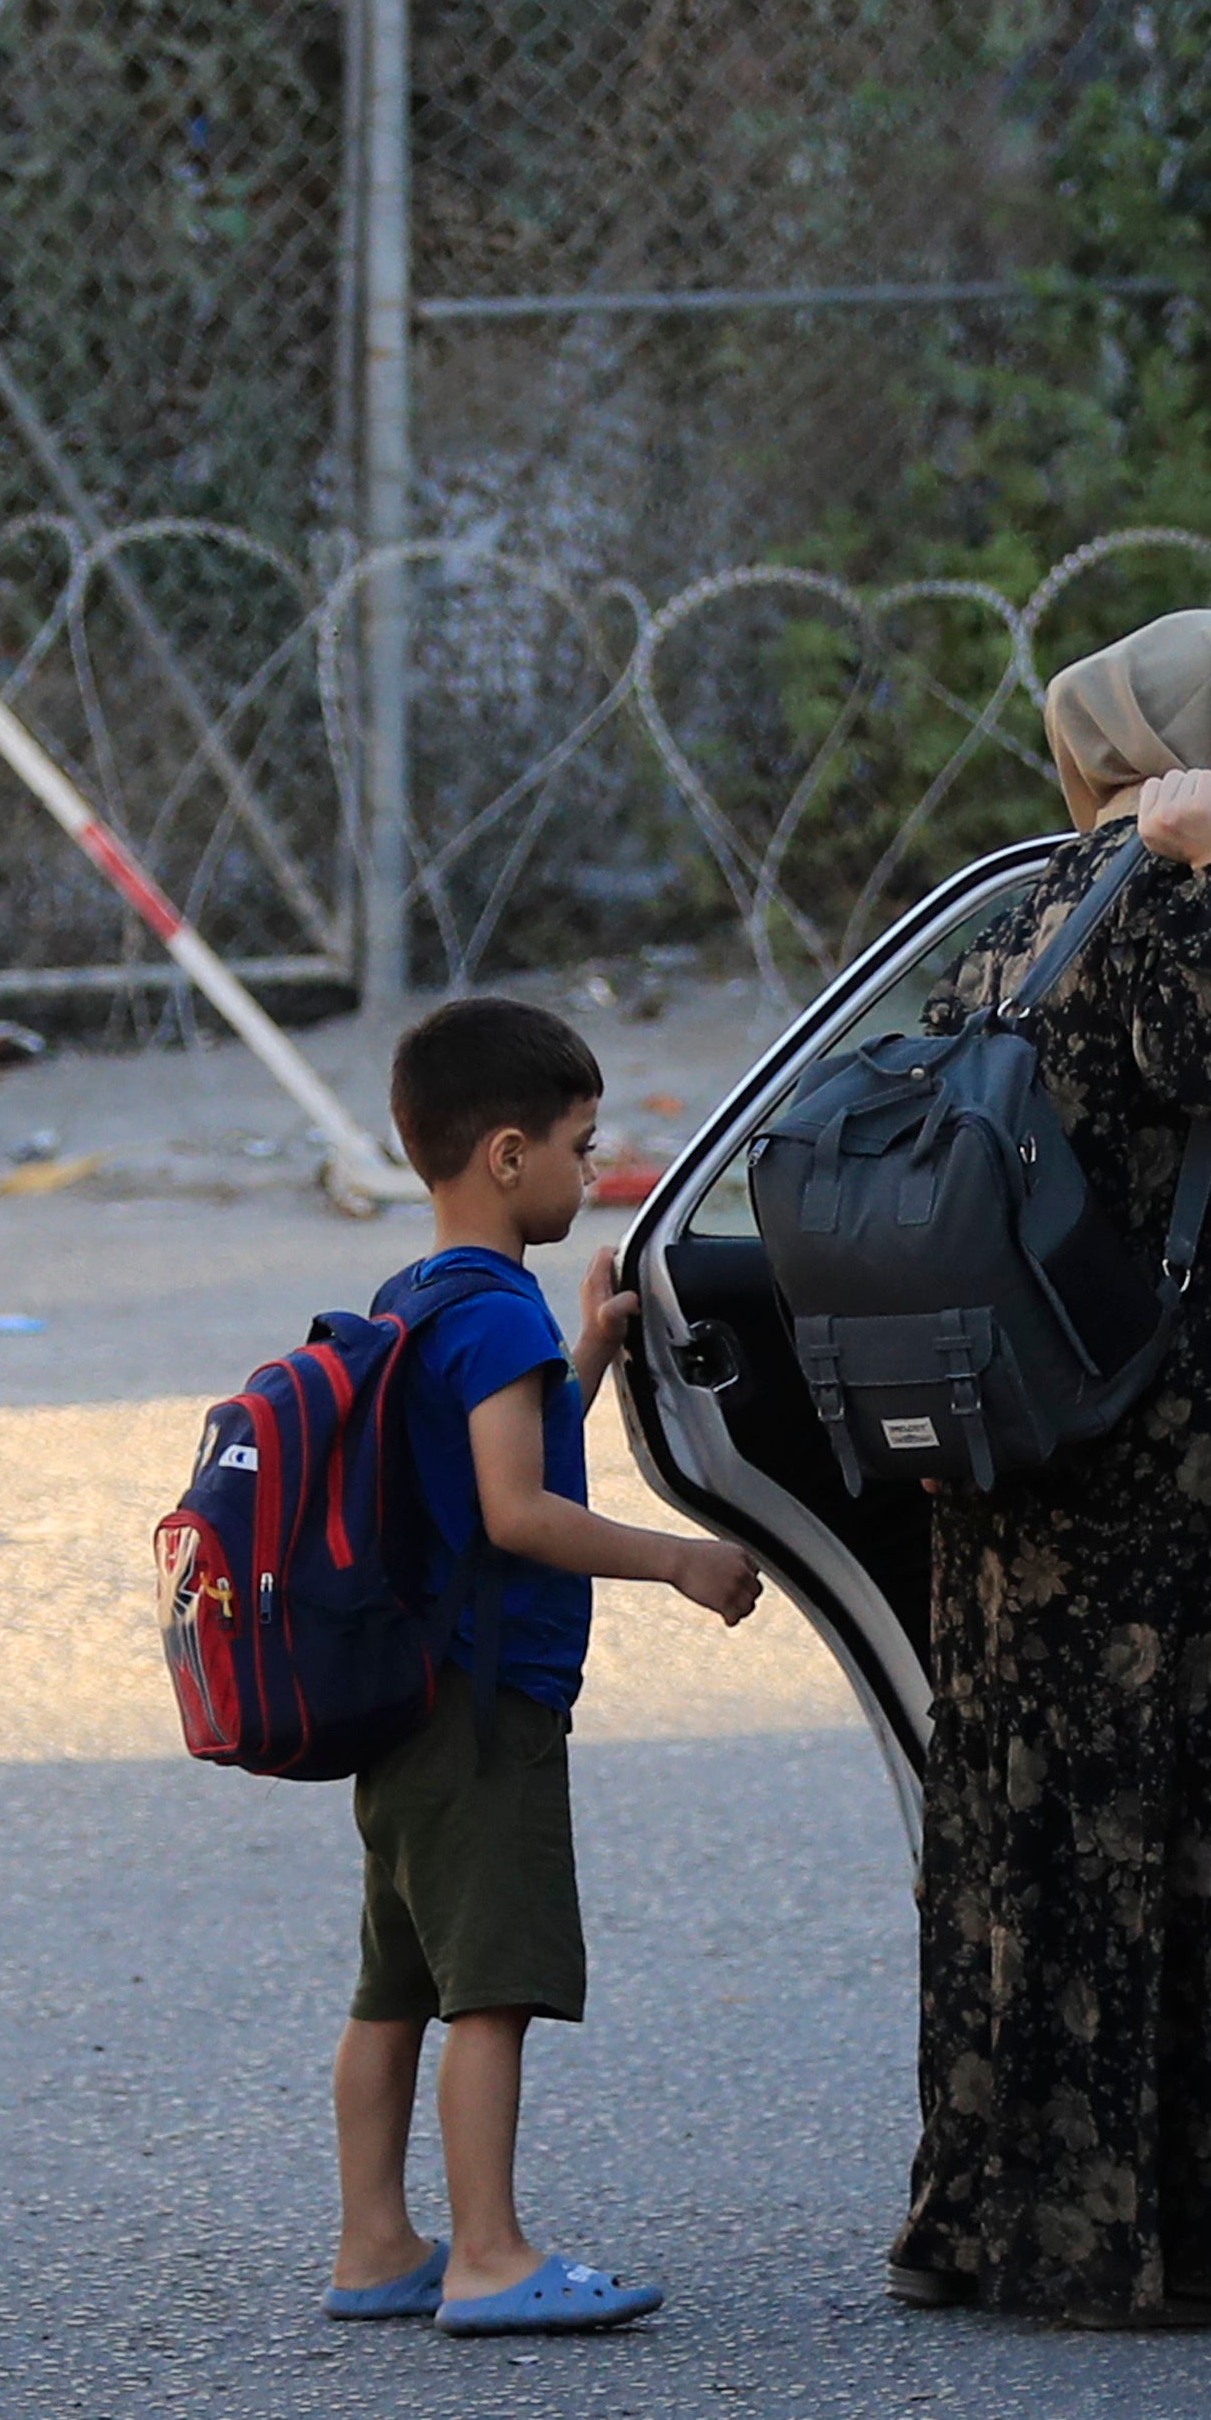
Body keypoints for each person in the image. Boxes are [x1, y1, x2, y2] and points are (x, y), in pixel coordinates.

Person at [890, 607, 1211, 2330]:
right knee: (1164, 1838)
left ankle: (996, 2216)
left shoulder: (1034, 905)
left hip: (1034, 1464)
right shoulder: (1170, 909)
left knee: (1030, 1841)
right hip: (1148, 1492)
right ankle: (1166, 2237)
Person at [327, 996, 762, 2338]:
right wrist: (678, 1559)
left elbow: (492, 1460)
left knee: (394, 1989)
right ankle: (490, 2256)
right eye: (581, 1147)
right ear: (508, 1155)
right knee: (493, 1992)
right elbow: (516, 1512)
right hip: (487, 1705)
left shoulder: (418, 1300)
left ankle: (375, 2246)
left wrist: (587, 1354)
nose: (592, 1170)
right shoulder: (495, 1313)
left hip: (408, 1703)